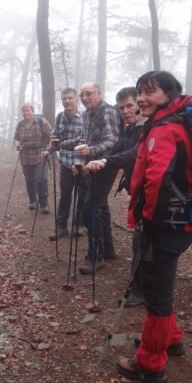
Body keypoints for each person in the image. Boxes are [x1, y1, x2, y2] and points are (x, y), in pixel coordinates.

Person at [116, 71, 192, 383]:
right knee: (162, 284)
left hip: (165, 225)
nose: (141, 98)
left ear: (168, 94)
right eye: (140, 92)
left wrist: (147, 222)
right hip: (180, 223)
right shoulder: (173, 123)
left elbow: (156, 179)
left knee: (156, 293)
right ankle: (171, 339)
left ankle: (150, 364)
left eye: (149, 91)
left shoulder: (164, 130)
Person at [83, 86, 147, 306]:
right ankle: (142, 284)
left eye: (130, 105)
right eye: (122, 108)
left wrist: (104, 161)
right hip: (141, 191)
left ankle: (140, 289)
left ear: (139, 103)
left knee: (144, 240)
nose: (126, 111)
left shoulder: (147, 127)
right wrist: (91, 164)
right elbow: (118, 149)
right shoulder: (130, 128)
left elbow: (135, 153)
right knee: (142, 237)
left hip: (158, 193)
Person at [67, 82, 120, 272]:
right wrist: (63, 144)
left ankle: (96, 256)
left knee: (91, 210)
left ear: (99, 93)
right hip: (90, 165)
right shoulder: (87, 114)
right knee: (101, 207)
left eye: (88, 94)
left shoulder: (106, 112)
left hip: (105, 165)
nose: (84, 97)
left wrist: (92, 150)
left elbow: (112, 139)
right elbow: (84, 139)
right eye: (82, 94)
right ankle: (108, 250)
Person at [49, 88, 85, 241]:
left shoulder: (85, 117)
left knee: (81, 196)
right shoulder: (59, 117)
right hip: (65, 163)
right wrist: (54, 141)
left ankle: (78, 225)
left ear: (76, 99)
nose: (67, 101)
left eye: (70, 98)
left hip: (81, 163)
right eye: (64, 98)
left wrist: (62, 144)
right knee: (65, 195)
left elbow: (83, 139)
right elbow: (55, 134)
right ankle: (61, 227)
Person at [13, 103, 53, 213]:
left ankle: (44, 204)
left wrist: (48, 150)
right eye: (24, 111)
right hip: (25, 156)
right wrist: (17, 145)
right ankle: (32, 201)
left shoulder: (42, 122)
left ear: (33, 111)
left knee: (41, 179)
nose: (26, 113)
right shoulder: (20, 125)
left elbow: (52, 138)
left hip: (40, 155)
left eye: (28, 110)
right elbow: (16, 138)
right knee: (29, 180)